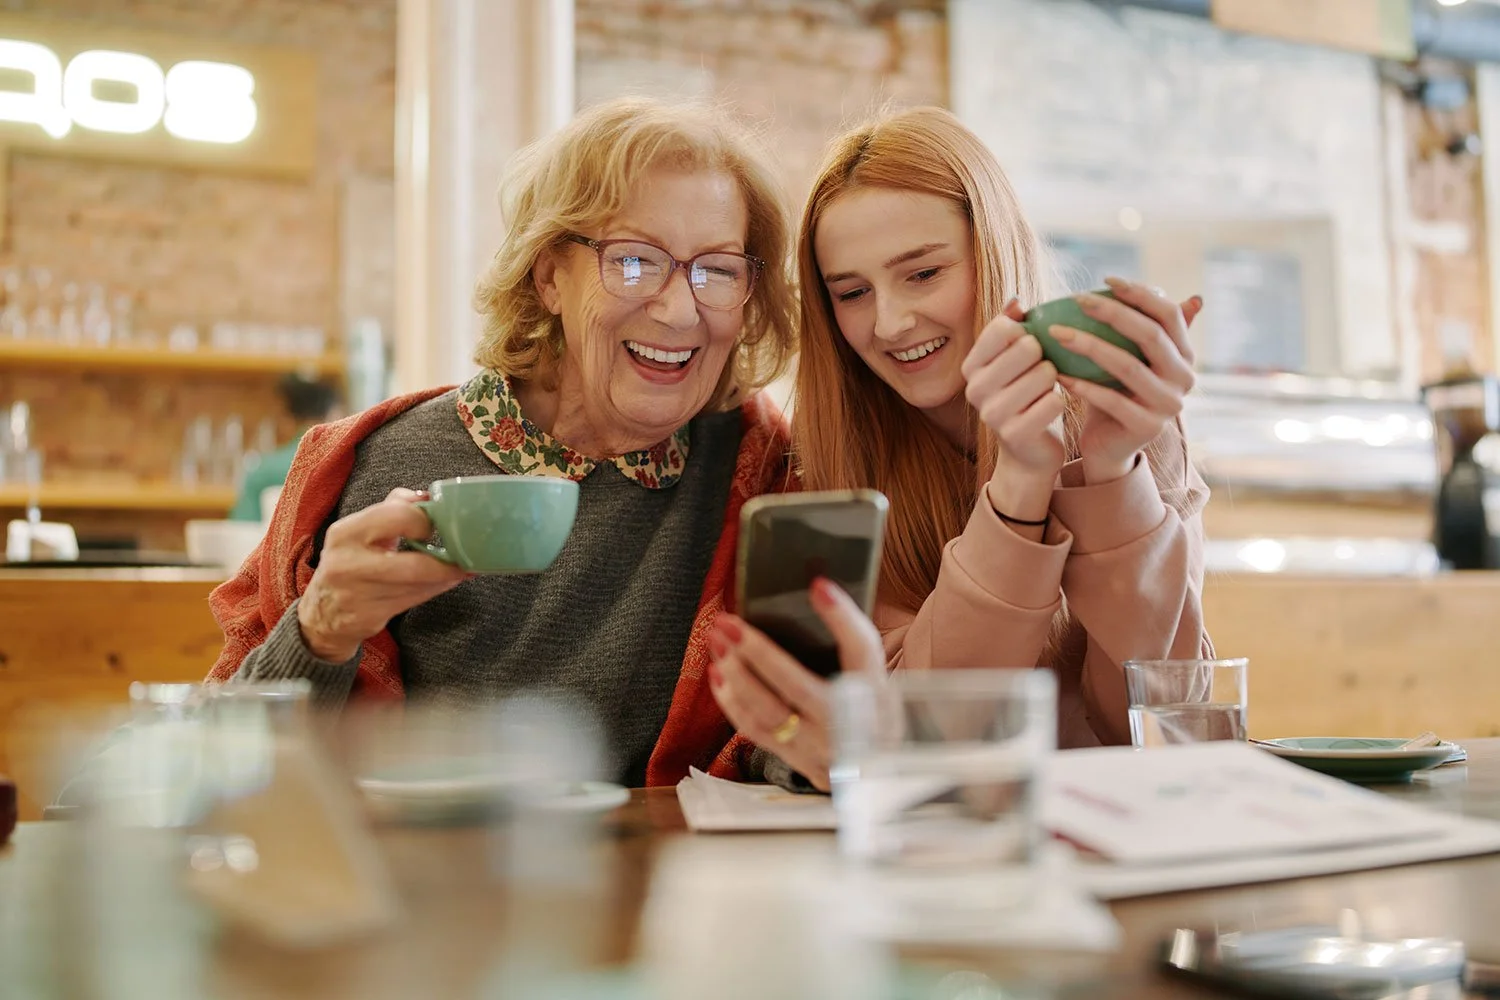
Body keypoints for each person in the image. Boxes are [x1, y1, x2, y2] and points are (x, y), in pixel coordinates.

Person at [205, 97, 799, 787]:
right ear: (549, 277)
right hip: (439, 883)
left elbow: (786, 737)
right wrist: (322, 629)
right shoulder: (377, 464)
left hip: (677, 885)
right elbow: (222, 766)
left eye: (718, 270)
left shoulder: (759, 471)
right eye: (634, 262)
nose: (677, 308)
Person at [706, 107, 1211, 790]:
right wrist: (1018, 486)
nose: (888, 323)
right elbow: (919, 736)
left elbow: (1158, 721)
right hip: (937, 843)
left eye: (922, 274)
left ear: (994, 251)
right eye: (852, 293)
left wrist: (1114, 470)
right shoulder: (829, 470)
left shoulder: (1127, 419)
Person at [228, 374, 342, 522]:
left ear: (286, 416)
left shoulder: (263, 471)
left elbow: (241, 529)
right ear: (332, 413)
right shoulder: (343, 464)